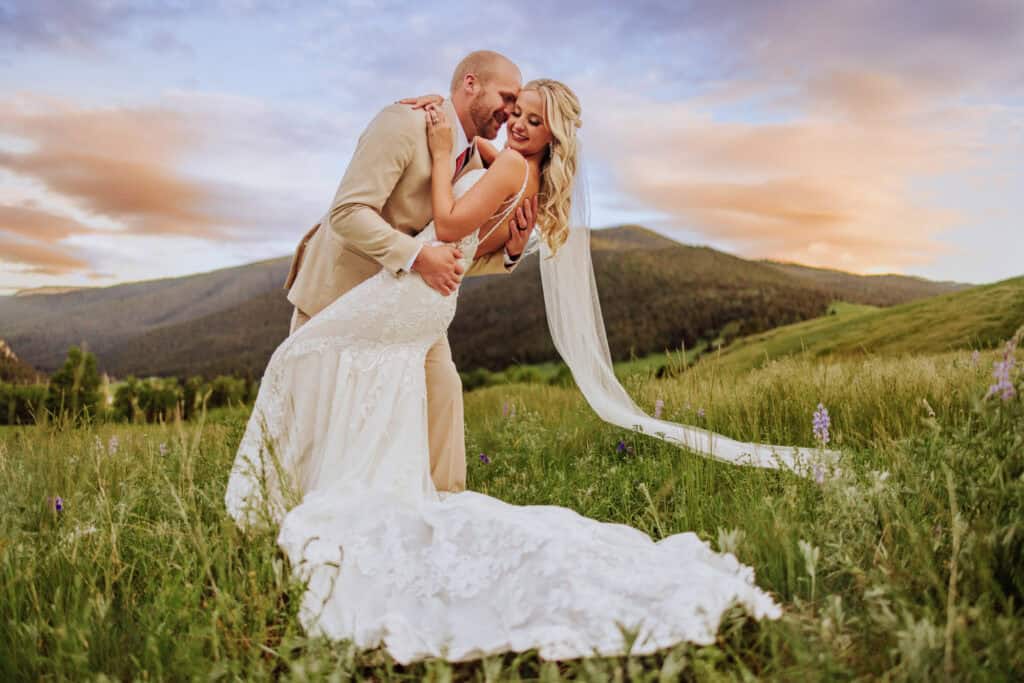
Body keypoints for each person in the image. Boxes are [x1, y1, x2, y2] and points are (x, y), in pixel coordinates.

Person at [226, 78, 795, 663]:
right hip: (416, 289)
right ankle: (384, 493)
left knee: (305, 358)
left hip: (418, 285)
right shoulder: (516, 164)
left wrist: (445, 148)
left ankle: (348, 499)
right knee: (373, 381)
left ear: (554, 136)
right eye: (515, 110)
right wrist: (481, 155)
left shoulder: (507, 168)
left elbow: (448, 228)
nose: (516, 123)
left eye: (531, 120)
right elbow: (491, 191)